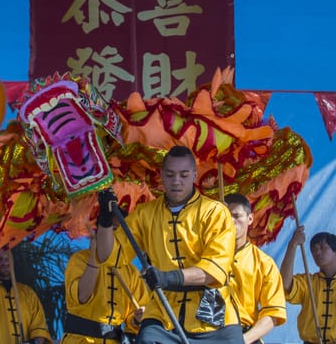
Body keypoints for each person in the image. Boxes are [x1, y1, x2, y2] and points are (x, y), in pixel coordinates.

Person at [96, 145, 243, 344]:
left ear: (194, 175)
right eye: (170, 174)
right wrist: (104, 220)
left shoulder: (215, 212)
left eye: (183, 175)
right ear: (161, 176)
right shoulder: (144, 214)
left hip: (214, 318)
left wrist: (168, 277)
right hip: (163, 315)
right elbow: (108, 257)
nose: (176, 181)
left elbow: (215, 269)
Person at [280, 227, 336, 344]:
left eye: (323, 248)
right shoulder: (308, 281)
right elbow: (284, 284)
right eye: (314, 249)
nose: (317, 252)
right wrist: (292, 245)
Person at [61, 225, 149, 344]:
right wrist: (94, 258)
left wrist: (137, 319)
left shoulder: (131, 271)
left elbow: (134, 320)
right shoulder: (79, 260)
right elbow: (82, 296)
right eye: (108, 231)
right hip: (80, 340)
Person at [0, 226, 53, 344]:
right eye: (0, 258)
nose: (5, 261)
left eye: (7, 258)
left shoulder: (28, 293)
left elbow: (39, 329)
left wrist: (35, 342)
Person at [224, 193, 287, 344]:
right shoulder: (204, 256)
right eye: (225, 216)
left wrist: (243, 340)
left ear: (250, 219)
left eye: (236, 216)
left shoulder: (264, 263)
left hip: (245, 336)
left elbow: (273, 313)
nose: (231, 221)